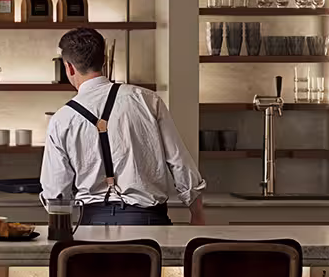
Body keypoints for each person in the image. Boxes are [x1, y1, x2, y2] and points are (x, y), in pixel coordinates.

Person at [40, 27, 206, 227]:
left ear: (69, 68)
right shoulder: (146, 100)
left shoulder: (61, 119)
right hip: (149, 224)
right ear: (103, 60)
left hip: (91, 224)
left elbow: (56, 193)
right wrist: (197, 214)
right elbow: (179, 162)